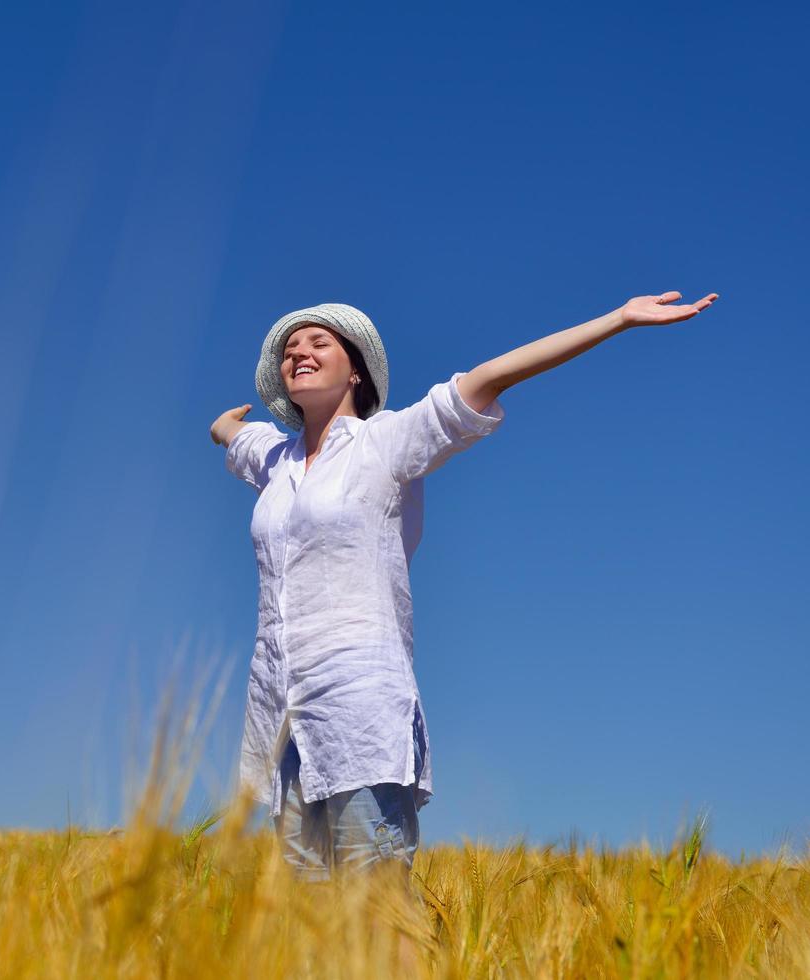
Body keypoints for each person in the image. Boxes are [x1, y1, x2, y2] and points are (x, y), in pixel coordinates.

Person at [210, 291, 718, 882]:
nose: (298, 353)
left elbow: (491, 377)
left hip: (356, 710)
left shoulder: (388, 442)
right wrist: (224, 425)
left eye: (318, 343)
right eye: (289, 350)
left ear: (356, 370)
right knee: (303, 925)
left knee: (376, 905)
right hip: (280, 718)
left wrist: (619, 320)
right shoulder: (278, 461)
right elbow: (233, 436)